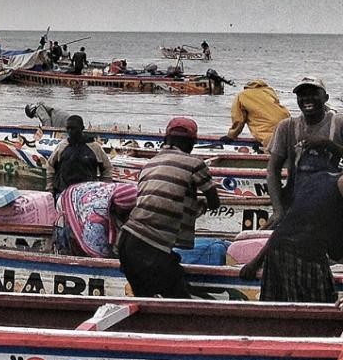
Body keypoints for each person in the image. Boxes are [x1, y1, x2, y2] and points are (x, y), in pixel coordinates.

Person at [118, 117, 221, 298]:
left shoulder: (149, 164)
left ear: (166, 140)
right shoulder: (195, 163)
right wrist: (200, 204)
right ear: (192, 143)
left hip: (126, 241)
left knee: (146, 301)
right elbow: (214, 202)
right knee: (179, 301)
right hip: (150, 246)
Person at [238, 170, 343, 302]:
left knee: (279, 315)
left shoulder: (317, 178)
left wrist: (255, 263)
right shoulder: (331, 193)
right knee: (318, 316)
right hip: (305, 259)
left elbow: (284, 227)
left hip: (277, 251)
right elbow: (336, 252)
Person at [266, 77, 343, 226]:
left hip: (332, 203)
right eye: (302, 95)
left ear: (325, 98)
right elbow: (272, 170)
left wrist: (328, 145)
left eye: (313, 93)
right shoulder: (286, 127)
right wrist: (277, 210)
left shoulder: (338, 124)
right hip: (295, 201)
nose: (307, 98)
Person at [45, 115, 113, 196]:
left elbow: (107, 168)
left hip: (88, 194)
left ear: (82, 128)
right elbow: (50, 166)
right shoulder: (62, 146)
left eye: (73, 128)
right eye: (68, 128)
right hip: (63, 192)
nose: (70, 131)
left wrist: (104, 189)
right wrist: (50, 188)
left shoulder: (94, 147)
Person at [219, 79, 289, 149]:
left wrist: (231, 136)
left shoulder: (242, 95)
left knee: (272, 146)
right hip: (287, 122)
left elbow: (239, 120)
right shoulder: (269, 91)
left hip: (267, 131)